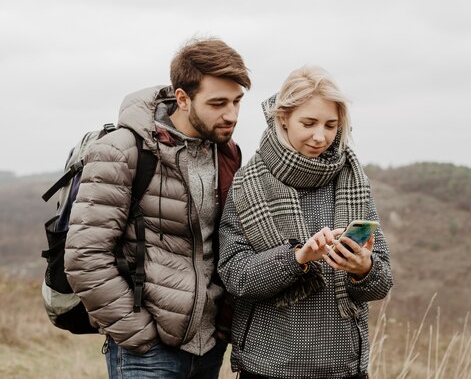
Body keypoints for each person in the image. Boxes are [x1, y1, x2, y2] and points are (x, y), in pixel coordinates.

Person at [64, 37, 251, 379]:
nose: (231, 115)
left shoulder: (226, 152)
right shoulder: (123, 150)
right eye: (218, 103)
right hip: (148, 351)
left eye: (238, 102)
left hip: (209, 346)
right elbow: (85, 256)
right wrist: (138, 334)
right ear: (182, 98)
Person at [218, 65, 393, 379]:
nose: (321, 136)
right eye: (309, 123)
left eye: (331, 125)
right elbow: (235, 276)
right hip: (268, 367)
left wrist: (362, 268)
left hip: (344, 367)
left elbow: (382, 282)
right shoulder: (247, 184)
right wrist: (297, 258)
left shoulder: (353, 182)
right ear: (283, 117)